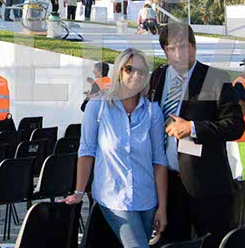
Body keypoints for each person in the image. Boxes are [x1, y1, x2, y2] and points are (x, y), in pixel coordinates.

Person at [148, 22, 244, 248]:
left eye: (183, 46)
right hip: (167, 186)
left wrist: (192, 128)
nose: (178, 54)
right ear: (164, 51)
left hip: (206, 186)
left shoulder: (215, 78)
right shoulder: (158, 76)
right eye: (171, 48)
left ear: (194, 46)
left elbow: (235, 126)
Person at [62, 48, 168, 248]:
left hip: (147, 199)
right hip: (113, 198)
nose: (136, 75)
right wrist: (79, 191)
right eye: (129, 69)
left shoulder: (152, 112)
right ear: (119, 71)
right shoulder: (97, 107)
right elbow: (86, 150)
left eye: (141, 71)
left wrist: (162, 207)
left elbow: (159, 160)